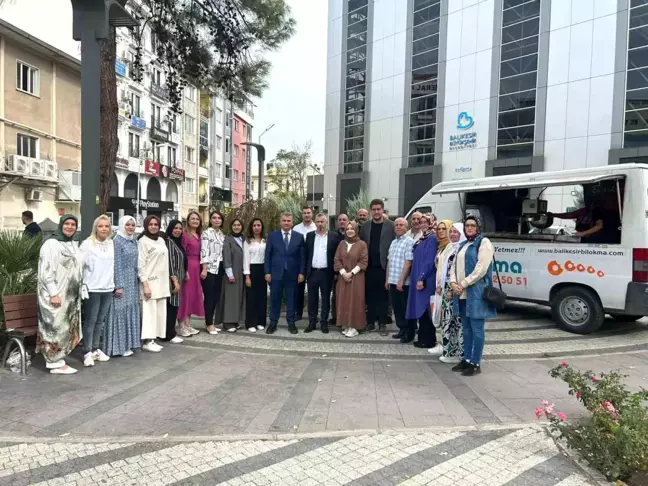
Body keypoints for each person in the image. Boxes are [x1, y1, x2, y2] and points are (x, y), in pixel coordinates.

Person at [450, 216, 496, 376]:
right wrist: (453, 282)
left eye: (472, 225)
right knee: (466, 329)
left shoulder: (484, 243)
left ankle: (476, 363)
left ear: (478, 227)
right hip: (461, 292)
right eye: (467, 225)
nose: (469, 228)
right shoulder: (463, 244)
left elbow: (481, 268)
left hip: (475, 292)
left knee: (477, 329)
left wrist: (463, 283)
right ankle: (467, 359)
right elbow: (454, 266)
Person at [36, 214, 82, 374]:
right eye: (67, 224)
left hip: (68, 296)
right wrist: (53, 294)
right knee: (54, 326)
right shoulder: (51, 244)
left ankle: (58, 359)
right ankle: (53, 362)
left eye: (73, 224)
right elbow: (45, 272)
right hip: (54, 295)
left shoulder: (72, 244)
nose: (70, 227)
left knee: (64, 327)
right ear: (61, 225)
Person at [79, 215, 114, 367]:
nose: (104, 229)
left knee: (100, 320)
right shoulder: (87, 244)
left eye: (106, 226)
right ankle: (87, 351)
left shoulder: (111, 243)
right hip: (92, 288)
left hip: (107, 287)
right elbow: (78, 265)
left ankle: (95, 349)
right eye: (101, 226)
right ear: (95, 228)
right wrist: (82, 284)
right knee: (90, 321)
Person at [103, 216, 140, 357]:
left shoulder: (133, 241)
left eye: (133, 225)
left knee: (130, 311)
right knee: (119, 312)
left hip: (133, 281)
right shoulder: (117, 242)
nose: (130, 227)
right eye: (128, 225)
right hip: (122, 281)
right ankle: (118, 347)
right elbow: (116, 264)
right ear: (122, 225)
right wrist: (118, 285)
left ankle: (128, 344)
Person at [406, 214, 443, 355]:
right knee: (420, 309)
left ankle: (428, 339)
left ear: (431, 222)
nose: (422, 224)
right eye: (420, 222)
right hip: (418, 277)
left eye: (425, 221)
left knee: (426, 309)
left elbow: (429, 261)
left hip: (426, 279)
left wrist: (421, 278)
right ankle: (422, 337)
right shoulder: (423, 238)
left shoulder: (433, 238)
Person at [265, 212, 305, 334]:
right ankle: (273, 323)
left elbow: (302, 257)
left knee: (292, 299)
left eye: (288, 221)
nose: (286, 223)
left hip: (292, 273)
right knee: (275, 299)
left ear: (292, 222)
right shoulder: (273, 236)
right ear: (280, 222)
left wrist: (302, 272)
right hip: (276, 273)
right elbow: (268, 255)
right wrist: (267, 272)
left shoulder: (299, 236)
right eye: (284, 220)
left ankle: (291, 323)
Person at [359, 199, 395, 335]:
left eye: (378, 209)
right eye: (373, 209)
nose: (376, 212)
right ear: (370, 211)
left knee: (383, 296)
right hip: (368, 267)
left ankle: (382, 323)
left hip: (383, 267)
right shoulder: (366, 226)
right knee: (370, 296)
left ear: (382, 210)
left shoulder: (390, 226)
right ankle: (370, 322)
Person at [433, 221, 466, 363]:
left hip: (456, 290)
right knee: (448, 321)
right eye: (451, 232)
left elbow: (460, 272)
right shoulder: (450, 248)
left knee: (457, 322)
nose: (452, 234)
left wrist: (453, 288)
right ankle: (449, 351)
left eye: (455, 232)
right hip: (447, 289)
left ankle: (458, 353)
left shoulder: (461, 249)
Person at [137, 215, 170, 352]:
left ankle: (154, 339)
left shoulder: (161, 240)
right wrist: (145, 284)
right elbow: (141, 264)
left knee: (159, 312)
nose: (153, 226)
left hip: (162, 282)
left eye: (156, 224)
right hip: (149, 282)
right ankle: (147, 341)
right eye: (150, 224)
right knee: (149, 312)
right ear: (146, 225)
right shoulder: (142, 242)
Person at [304, 213, 340, 334]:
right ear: (315, 222)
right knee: (312, 299)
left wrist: (336, 272)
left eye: (322, 222)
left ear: (326, 223)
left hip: (326, 272)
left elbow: (337, 256)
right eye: (318, 222)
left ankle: (324, 323)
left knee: (325, 299)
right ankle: (312, 322)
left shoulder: (334, 237)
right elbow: (306, 255)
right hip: (313, 272)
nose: (320, 224)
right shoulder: (309, 236)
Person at [334, 221, 368, 337]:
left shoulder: (362, 244)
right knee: (343, 300)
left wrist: (351, 273)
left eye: (352, 228)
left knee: (355, 301)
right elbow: (337, 259)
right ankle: (346, 325)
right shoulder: (341, 244)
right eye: (347, 228)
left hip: (356, 277)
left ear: (356, 230)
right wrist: (343, 273)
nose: (349, 230)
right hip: (343, 277)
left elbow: (363, 261)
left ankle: (354, 327)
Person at [385, 218, 415, 343]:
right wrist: (387, 279)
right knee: (397, 308)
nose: (398, 227)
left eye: (401, 225)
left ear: (406, 227)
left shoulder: (410, 242)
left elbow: (408, 262)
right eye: (396, 225)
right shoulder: (393, 243)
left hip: (404, 283)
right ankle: (402, 329)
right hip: (392, 280)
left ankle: (409, 332)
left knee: (405, 308)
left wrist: (401, 280)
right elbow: (389, 262)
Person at [178, 211, 204, 336]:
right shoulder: (184, 234)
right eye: (192, 219)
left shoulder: (199, 234)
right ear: (188, 220)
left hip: (197, 266)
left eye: (197, 219)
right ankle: (181, 325)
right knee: (185, 296)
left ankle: (188, 324)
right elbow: (182, 253)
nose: (195, 221)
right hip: (188, 266)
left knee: (192, 296)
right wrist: (184, 270)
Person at [201, 211, 225, 334]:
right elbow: (204, 251)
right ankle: (209, 323)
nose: (217, 220)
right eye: (214, 218)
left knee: (216, 296)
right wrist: (204, 269)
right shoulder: (206, 233)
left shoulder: (222, 235)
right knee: (209, 297)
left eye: (219, 218)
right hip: (209, 269)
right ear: (210, 220)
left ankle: (211, 322)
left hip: (220, 268)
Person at [162, 220, 186, 344]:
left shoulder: (178, 242)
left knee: (174, 306)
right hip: (172, 279)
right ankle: (169, 334)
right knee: (172, 306)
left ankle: (169, 332)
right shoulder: (169, 242)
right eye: (175, 228)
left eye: (180, 228)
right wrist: (175, 280)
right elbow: (170, 262)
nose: (177, 230)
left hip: (178, 278)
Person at [222, 219, 246, 332]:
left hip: (242, 273)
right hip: (232, 273)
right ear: (231, 227)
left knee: (239, 297)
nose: (237, 227)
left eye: (239, 225)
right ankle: (227, 322)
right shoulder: (228, 240)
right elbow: (226, 257)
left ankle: (236, 321)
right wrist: (229, 273)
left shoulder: (244, 239)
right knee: (231, 297)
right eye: (234, 225)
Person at [243, 218, 267, 332]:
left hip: (263, 269)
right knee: (251, 298)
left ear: (262, 227)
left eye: (259, 225)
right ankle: (251, 323)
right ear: (251, 227)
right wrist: (247, 276)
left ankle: (260, 321)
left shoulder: (265, 240)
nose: (256, 227)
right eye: (254, 225)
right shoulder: (247, 241)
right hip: (252, 270)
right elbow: (246, 259)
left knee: (262, 297)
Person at [294, 206, 317, 321]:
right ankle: (298, 313)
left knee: (313, 290)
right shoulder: (296, 228)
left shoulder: (317, 227)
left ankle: (313, 315)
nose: (307, 215)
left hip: (313, 261)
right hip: (300, 262)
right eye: (304, 213)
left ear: (312, 214)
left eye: (308, 213)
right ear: (302, 214)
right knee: (299, 289)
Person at [329, 213, 350, 326]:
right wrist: (335, 271)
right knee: (336, 295)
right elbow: (333, 255)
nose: (342, 221)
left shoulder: (353, 234)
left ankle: (347, 317)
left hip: (351, 271)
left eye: (344, 219)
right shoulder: (333, 235)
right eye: (340, 220)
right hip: (337, 271)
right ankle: (335, 316)